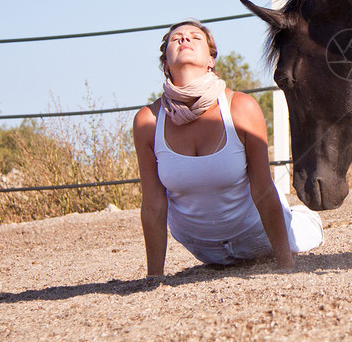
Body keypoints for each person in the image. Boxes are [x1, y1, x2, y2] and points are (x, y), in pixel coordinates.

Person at [132, 19, 323, 275]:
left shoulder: (240, 107)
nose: (184, 39)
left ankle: (299, 216)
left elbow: (263, 189)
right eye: (176, 39)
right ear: (165, 63)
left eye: (195, 37)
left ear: (211, 60)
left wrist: (285, 263)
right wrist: (153, 277)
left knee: (302, 225)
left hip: (257, 236)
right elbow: (153, 203)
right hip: (203, 249)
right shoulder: (148, 120)